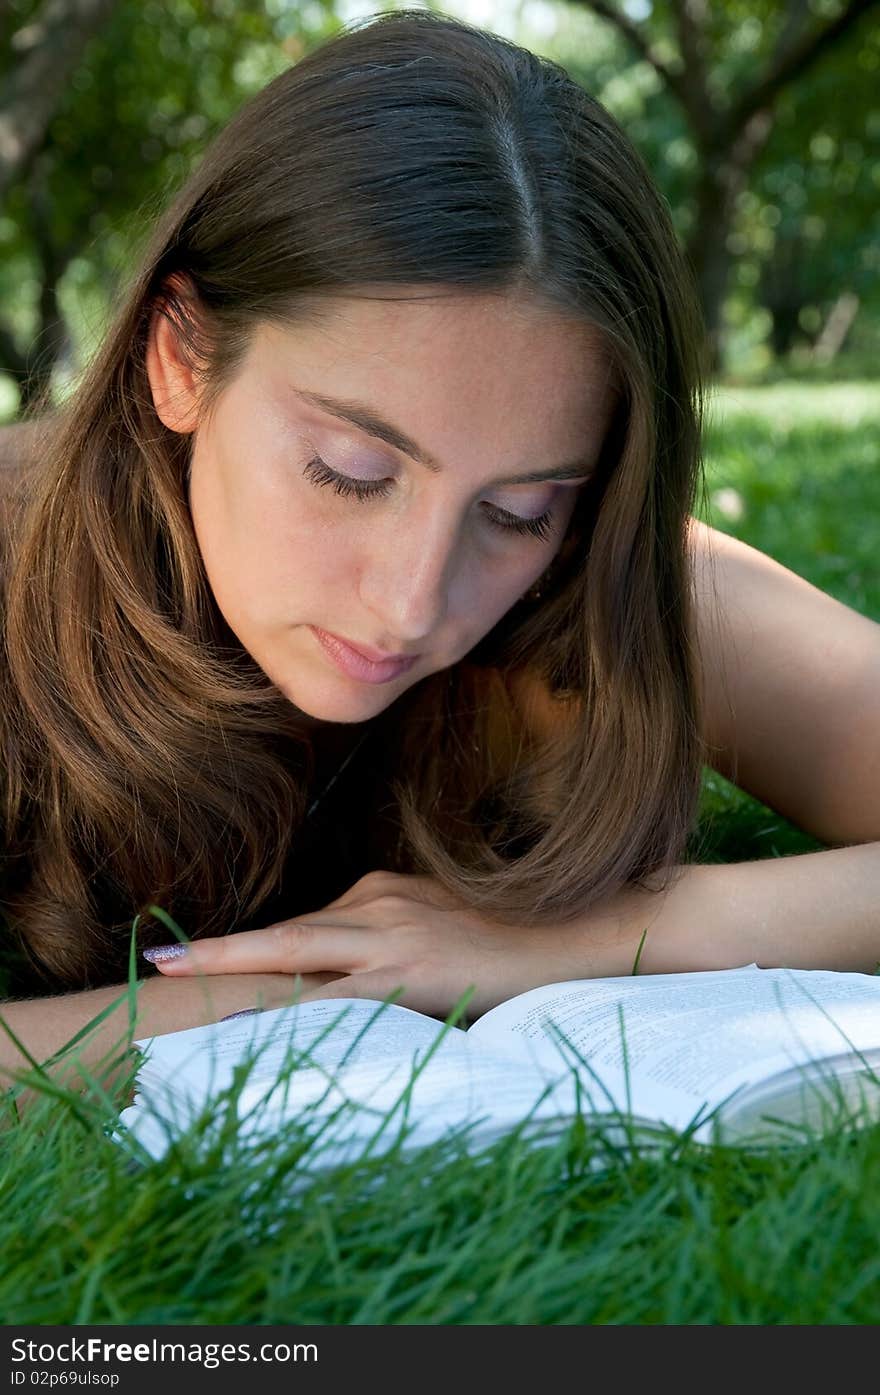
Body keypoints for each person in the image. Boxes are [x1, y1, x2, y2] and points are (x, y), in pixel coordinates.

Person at [1, 9, 878, 1100]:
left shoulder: (593, 581)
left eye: (517, 508)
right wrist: (287, 998)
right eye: (349, 471)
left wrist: (592, 934)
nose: (415, 603)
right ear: (179, 359)